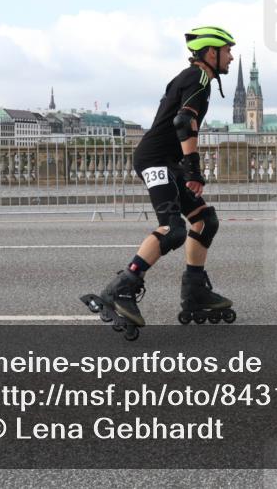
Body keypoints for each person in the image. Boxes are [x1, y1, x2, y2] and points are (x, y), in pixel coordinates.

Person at [81, 26, 237, 338]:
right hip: (155, 159)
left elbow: (179, 121)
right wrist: (193, 169)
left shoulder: (193, 77)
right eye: (228, 50)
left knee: (205, 220)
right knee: (173, 229)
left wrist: (185, 167)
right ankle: (120, 288)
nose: (231, 57)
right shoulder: (199, 79)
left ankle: (195, 291)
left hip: (167, 161)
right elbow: (183, 122)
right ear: (211, 52)